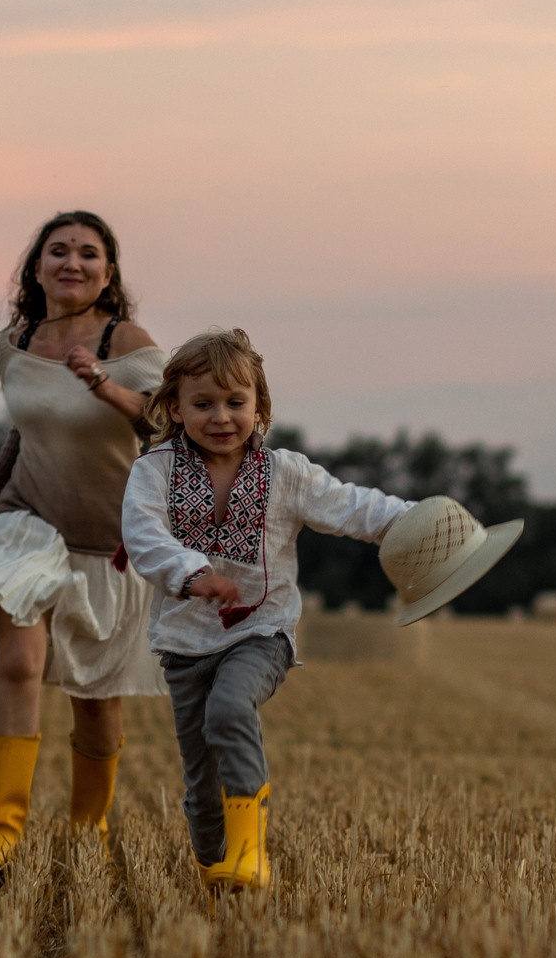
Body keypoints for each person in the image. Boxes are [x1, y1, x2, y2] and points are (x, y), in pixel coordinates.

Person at [121, 329, 414, 891]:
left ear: (260, 406)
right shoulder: (153, 471)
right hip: (183, 646)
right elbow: (143, 536)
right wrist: (193, 573)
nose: (221, 416)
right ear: (175, 409)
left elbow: (352, 506)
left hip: (262, 632)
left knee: (230, 708)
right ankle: (216, 879)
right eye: (203, 403)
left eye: (236, 402)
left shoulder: (287, 472)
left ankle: (252, 853)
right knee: (200, 785)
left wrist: (414, 520)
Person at [0, 211, 168, 865]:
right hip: (27, 521)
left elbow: (169, 420)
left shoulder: (129, 338)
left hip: (113, 545)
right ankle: (2, 828)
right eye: (58, 251)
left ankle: (89, 828)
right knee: (18, 662)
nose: (73, 263)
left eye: (89, 254)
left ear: (108, 274)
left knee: (96, 704)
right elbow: (28, 426)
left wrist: (103, 384)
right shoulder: (18, 340)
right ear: (36, 269)